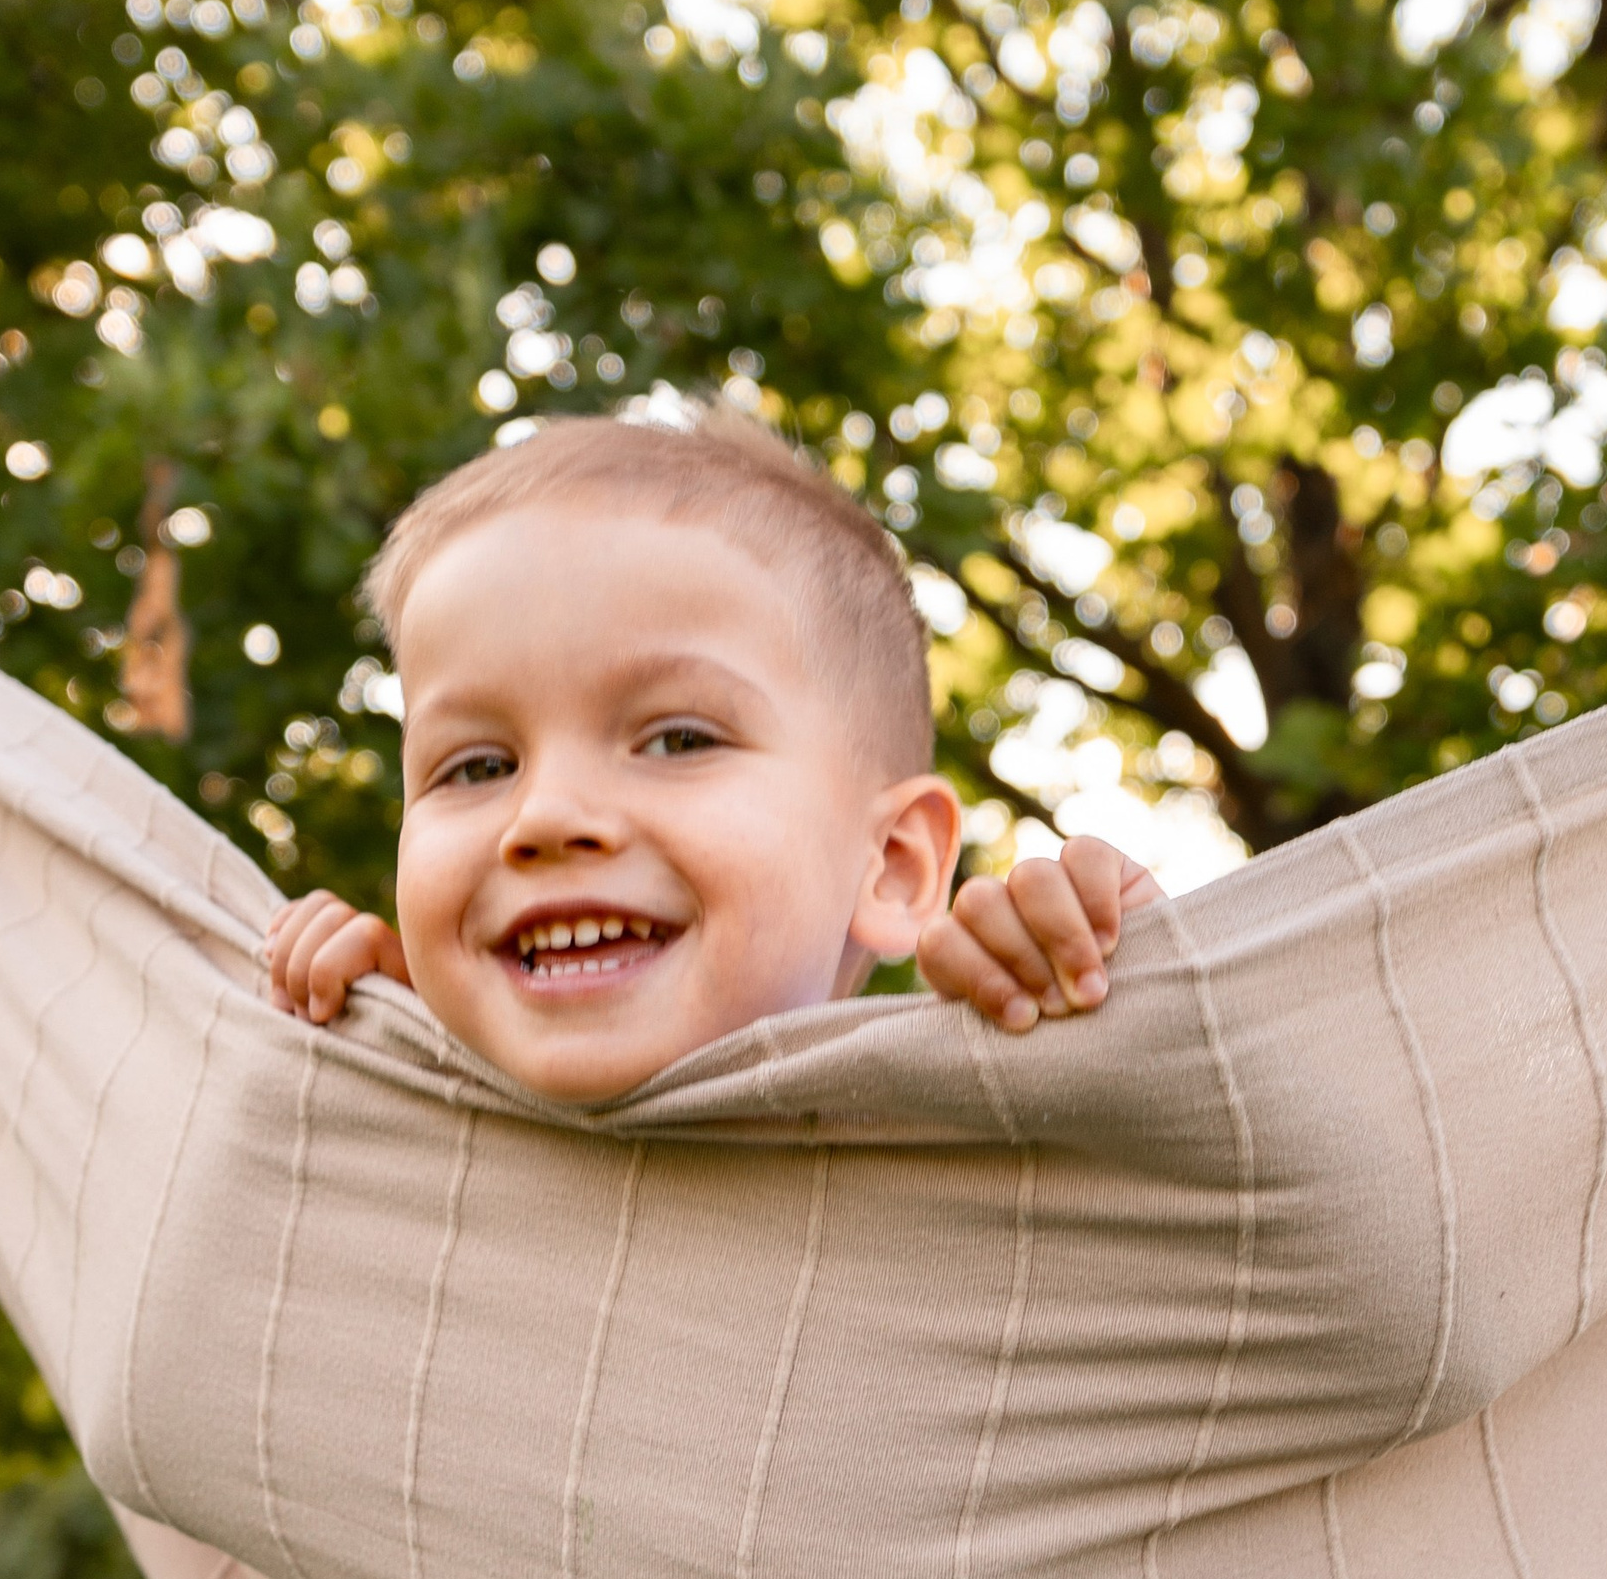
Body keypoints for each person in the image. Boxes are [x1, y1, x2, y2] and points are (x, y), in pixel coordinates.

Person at [262, 408, 1160, 1094]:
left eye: (678, 741)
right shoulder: (375, 1131)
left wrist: (1136, 991)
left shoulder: (983, 1149)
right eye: (480, 767)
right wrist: (390, 1039)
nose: (544, 817)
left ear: (890, 864)